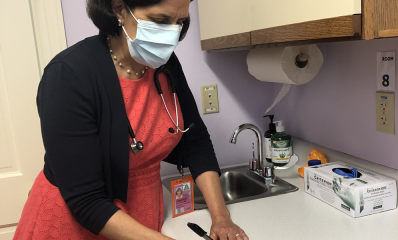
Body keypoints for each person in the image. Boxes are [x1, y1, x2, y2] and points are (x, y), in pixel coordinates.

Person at [13, 0, 249, 240]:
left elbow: (195, 141)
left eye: (180, 22)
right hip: (76, 224)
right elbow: (87, 201)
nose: (172, 34)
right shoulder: (68, 74)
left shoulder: (165, 65)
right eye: (160, 21)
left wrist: (221, 218)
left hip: (142, 215)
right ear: (119, 9)